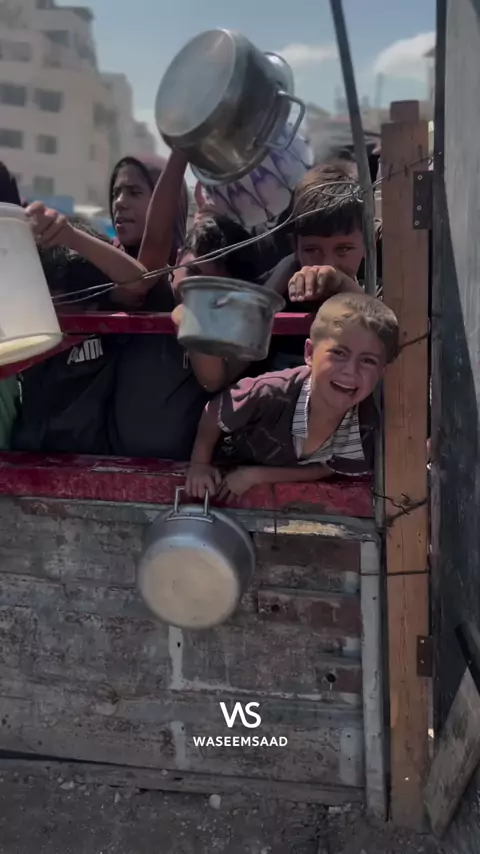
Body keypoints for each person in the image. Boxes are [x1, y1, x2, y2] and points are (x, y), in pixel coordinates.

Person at [186, 292, 399, 502]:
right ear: (309, 353)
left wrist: (254, 476)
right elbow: (214, 413)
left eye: (368, 361)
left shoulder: (366, 425)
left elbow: (325, 468)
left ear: (382, 372)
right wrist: (200, 464)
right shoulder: (269, 392)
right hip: (227, 465)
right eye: (339, 353)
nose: (350, 371)